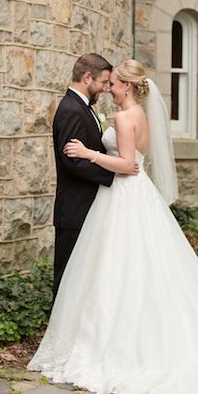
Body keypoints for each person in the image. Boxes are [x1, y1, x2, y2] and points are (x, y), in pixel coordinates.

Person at [29, 59, 198, 394]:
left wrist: (89, 153)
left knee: (119, 267)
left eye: (114, 83)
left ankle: (116, 345)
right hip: (134, 197)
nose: (109, 88)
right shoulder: (140, 115)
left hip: (124, 194)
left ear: (128, 87)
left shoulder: (121, 117)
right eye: (106, 82)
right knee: (135, 268)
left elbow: (129, 165)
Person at [51, 53, 115, 299]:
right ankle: (59, 332)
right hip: (75, 209)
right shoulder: (70, 110)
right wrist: (111, 175)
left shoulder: (82, 108)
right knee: (67, 277)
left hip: (88, 207)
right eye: (103, 82)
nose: (106, 89)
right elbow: (73, 161)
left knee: (82, 277)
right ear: (87, 77)